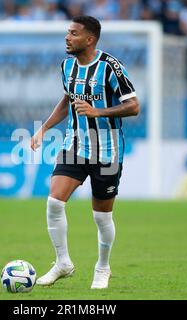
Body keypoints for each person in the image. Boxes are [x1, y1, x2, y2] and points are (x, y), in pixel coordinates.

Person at [30, 16, 140, 289]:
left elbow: (134, 106)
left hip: (107, 150)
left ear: (89, 39)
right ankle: (63, 262)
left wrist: (97, 111)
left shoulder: (110, 67)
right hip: (75, 145)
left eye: (73, 33)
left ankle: (103, 267)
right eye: (68, 32)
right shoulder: (67, 65)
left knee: (101, 217)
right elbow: (67, 100)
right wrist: (43, 129)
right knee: (55, 202)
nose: (67, 37)